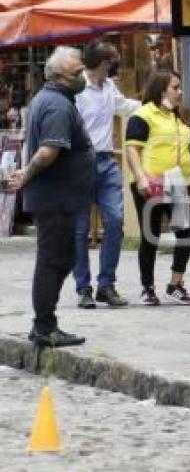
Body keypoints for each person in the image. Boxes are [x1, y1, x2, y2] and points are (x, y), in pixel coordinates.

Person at [9, 46, 93, 347]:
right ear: (58, 77)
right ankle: (44, 326)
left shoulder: (51, 99)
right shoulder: (57, 105)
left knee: (63, 258)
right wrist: (27, 174)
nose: (82, 76)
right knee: (52, 260)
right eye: (76, 73)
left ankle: (45, 322)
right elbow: (48, 151)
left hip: (61, 197)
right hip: (55, 198)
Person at [73, 39, 140, 309]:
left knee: (114, 221)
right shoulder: (76, 89)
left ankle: (106, 285)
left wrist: (153, 103)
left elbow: (124, 106)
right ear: (103, 64)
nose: (116, 65)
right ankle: (83, 288)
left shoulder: (109, 86)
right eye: (113, 61)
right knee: (79, 230)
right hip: (79, 163)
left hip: (106, 161)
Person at [125, 70, 190, 306]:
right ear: (161, 90)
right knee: (151, 236)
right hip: (152, 184)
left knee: (185, 233)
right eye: (175, 87)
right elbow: (131, 149)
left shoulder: (181, 116)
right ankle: (147, 288)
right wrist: (140, 177)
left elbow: (189, 149)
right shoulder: (142, 115)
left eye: (179, 88)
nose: (180, 92)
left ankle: (175, 284)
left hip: (178, 183)